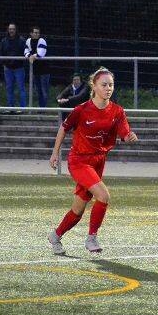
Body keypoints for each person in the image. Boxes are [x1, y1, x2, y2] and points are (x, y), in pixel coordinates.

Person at [48, 67, 138, 255]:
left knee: (78, 210)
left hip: (98, 162)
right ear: (94, 86)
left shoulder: (117, 111)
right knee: (103, 196)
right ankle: (91, 238)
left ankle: (55, 236)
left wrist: (129, 137)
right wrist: (55, 153)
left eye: (111, 85)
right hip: (79, 161)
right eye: (104, 85)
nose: (108, 88)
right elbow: (63, 128)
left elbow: (124, 132)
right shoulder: (81, 110)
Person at [0, 23, 27, 112]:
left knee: (21, 88)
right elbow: (1, 52)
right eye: (10, 29)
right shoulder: (4, 41)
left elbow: (25, 52)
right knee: (9, 88)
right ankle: (10, 108)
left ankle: (23, 109)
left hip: (19, 68)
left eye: (13, 29)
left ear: (16, 30)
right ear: (8, 30)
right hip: (8, 68)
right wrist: (4, 64)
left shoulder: (21, 40)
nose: (11, 31)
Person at [25, 26, 50, 107]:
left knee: (44, 91)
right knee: (38, 90)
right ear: (31, 33)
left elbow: (41, 53)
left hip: (44, 70)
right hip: (35, 70)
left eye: (38, 33)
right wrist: (29, 56)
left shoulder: (42, 40)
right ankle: (41, 108)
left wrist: (32, 56)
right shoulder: (28, 41)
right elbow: (26, 51)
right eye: (35, 33)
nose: (37, 34)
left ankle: (44, 108)